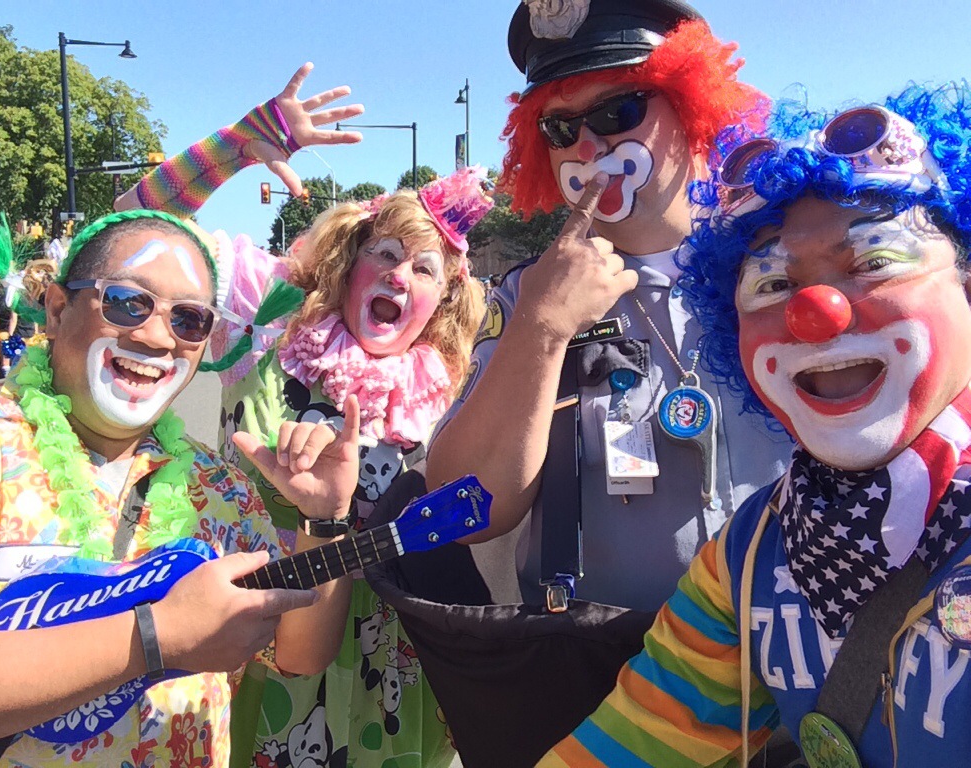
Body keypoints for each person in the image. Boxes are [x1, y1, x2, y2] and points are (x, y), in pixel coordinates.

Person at [539, 81, 971, 767]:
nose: (816, 312)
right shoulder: (750, 557)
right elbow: (638, 739)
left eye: (874, 263)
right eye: (772, 285)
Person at [117, 65, 491, 768]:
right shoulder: (270, 328)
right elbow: (134, 231)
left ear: (443, 299)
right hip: (248, 631)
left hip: (392, 664)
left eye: (424, 269)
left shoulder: (452, 389)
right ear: (351, 265)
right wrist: (235, 146)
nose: (400, 275)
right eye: (386, 255)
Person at [0, 209, 364, 767]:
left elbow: (297, 651)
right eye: (126, 302)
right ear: (57, 309)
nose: (156, 335)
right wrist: (156, 637)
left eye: (189, 319)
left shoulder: (218, 484)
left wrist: (325, 519)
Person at [428, 0, 789, 615]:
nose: (589, 145)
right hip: (607, 663)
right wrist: (542, 328)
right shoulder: (525, 296)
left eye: (617, 110)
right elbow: (463, 511)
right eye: (559, 128)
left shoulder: (785, 266)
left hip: (790, 653)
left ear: (692, 106)